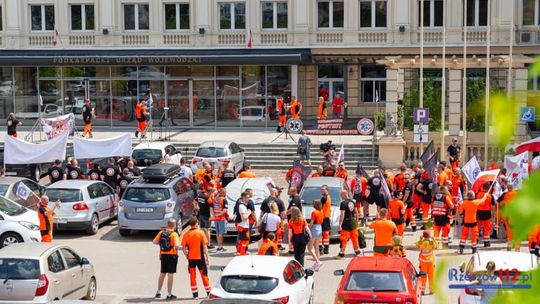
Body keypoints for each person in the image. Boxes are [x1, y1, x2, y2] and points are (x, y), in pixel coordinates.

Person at [181, 217, 211, 299]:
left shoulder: (186, 234)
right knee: (204, 275)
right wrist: (207, 257)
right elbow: (205, 247)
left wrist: (186, 255)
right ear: (196, 223)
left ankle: (195, 295)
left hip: (191, 259)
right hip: (200, 258)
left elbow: (183, 247)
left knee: (192, 276)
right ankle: (208, 293)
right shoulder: (201, 233)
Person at [152, 218, 180, 300]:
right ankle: (169, 294)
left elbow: (154, 241)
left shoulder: (161, 232)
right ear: (174, 225)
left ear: (167, 225)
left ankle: (158, 291)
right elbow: (176, 245)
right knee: (170, 274)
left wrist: (161, 245)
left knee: (162, 273)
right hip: (172, 256)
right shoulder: (174, 234)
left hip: (163, 255)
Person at [336, 191, 361, 258]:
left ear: (344, 195)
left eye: (341, 195)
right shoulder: (353, 202)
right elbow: (356, 212)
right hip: (353, 222)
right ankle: (357, 251)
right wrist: (357, 221)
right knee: (354, 237)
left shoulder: (343, 203)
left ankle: (342, 253)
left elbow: (342, 214)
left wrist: (340, 223)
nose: (341, 196)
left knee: (343, 238)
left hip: (346, 222)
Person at [416, 230, 437, 295]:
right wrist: (434, 240)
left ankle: (422, 290)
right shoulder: (431, 242)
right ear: (429, 236)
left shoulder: (421, 242)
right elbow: (436, 246)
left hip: (423, 262)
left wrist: (420, 239)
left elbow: (417, 245)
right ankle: (431, 290)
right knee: (431, 276)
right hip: (430, 262)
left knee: (423, 276)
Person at [476, 183, 494, 247]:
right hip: (487, 213)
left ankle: (475, 240)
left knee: (477, 227)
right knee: (487, 228)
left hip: (479, 212)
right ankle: (486, 242)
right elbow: (493, 205)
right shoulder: (490, 195)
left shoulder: (478, 194)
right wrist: (493, 213)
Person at [307, 200, 323, 270]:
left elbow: (311, 223)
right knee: (316, 247)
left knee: (309, 248)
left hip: (314, 229)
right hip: (319, 228)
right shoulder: (321, 211)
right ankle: (317, 264)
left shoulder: (314, 212)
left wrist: (308, 229)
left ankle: (318, 262)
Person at [211, 187, 228, 252]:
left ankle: (219, 246)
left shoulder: (215, 199)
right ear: (223, 193)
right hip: (221, 218)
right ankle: (220, 247)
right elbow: (225, 210)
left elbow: (212, 208)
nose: (226, 193)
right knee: (221, 233)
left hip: (216, 218)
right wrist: (219, 215)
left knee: (217, 233)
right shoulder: (224, 200)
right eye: (226, 192)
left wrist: (215, 215)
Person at [286, 187, 302, 254]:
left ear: (294, 192)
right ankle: (293, 249)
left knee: (292, 235)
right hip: (294, 219)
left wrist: (286, 213)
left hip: (294, 220)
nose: (289, 193)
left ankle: (292, 250)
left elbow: (293, 208)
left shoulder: (295, 199)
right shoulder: (295, 198)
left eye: (290, 191)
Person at [320, 185, 332, 255]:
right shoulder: (328, 197)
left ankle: (321, 249)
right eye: (321, 189)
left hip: (323, 218)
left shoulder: (324, 198)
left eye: (323, 189)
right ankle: (326, 249)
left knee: (321, 234)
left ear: (327, 190)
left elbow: (319, 207)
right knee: (326, 234)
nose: (322, 191)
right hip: (326, 217)